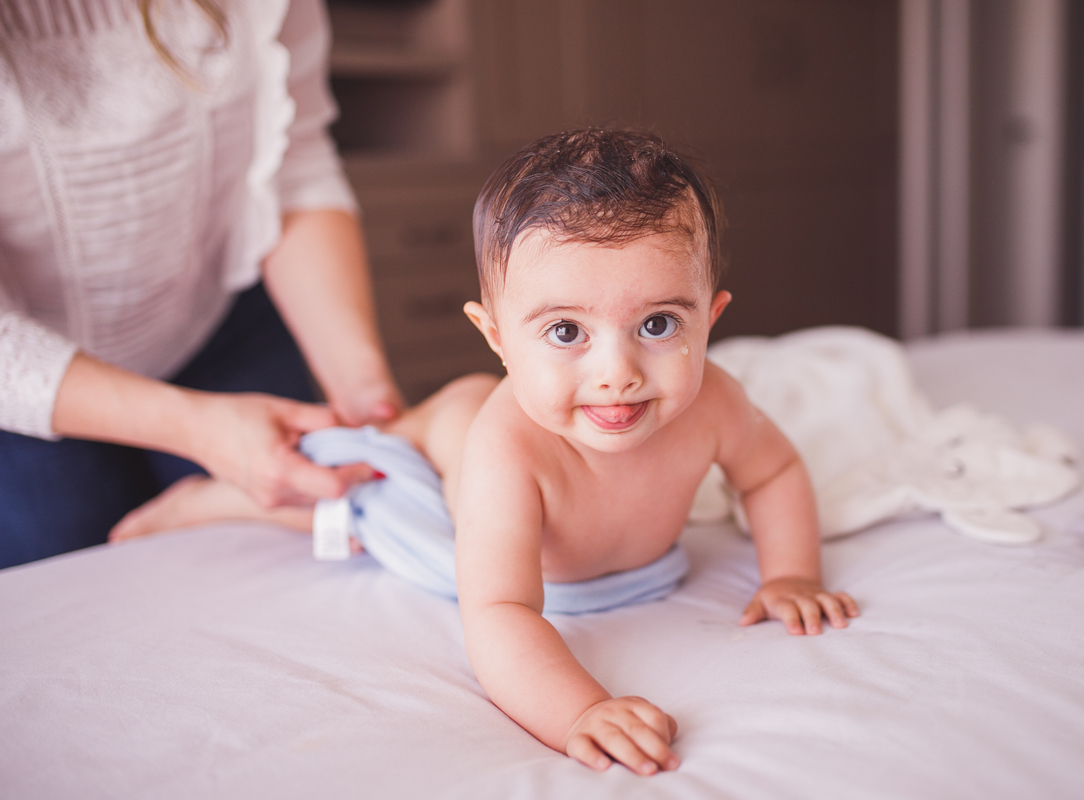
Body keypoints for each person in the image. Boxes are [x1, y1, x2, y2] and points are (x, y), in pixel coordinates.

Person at [107, 129, 860, 775]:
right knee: (360, 490)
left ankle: (436, 414)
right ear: (498, 335)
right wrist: (579, 711)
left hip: (506, 431)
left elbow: (774, 471)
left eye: (659, 325)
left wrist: (791, 571)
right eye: (566, 331)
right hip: (468, 503)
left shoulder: (717, 403)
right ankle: (219, 498)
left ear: (710, 318)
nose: (617, 371)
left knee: (457, 412)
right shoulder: (507, 449)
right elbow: (499, 610)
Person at [0, 0, 400, 568]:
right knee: (69, 584)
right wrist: (194, 428)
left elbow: (294, 160)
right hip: (25, 386)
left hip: (219, 316)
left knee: (320, 525)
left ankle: (208, 505)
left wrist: (362, 390)